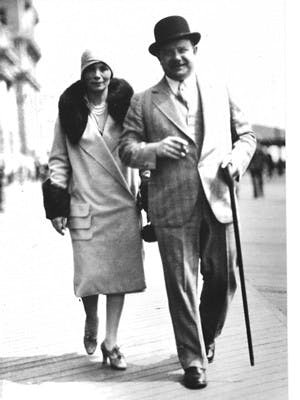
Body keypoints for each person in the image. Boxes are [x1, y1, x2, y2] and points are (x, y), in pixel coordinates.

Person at [119, 16, 256, 389]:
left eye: (182, 50)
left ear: (194, 51)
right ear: (159, 59)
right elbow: (127, 149)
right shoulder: (144, 101)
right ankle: (193, 360)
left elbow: (246, 135)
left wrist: (236, 160)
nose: (176, 57)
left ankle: (207, 334)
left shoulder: (218, 88)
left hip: (218, 196)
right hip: (171, 204)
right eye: (168, 53)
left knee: (224, 279)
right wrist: (155, 149)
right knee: (180, 284)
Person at [42, 49, 146, 370]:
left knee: (120, 273)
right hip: (83, 204)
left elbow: (140, 150)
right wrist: (57, 206)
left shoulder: (127, 109)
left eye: (103, 68)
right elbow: (58, 161)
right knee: (90, 274)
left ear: (111, 72)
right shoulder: (69, 113)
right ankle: (91, 317)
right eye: (91, 69)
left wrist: (147, 182)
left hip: (121, 204)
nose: (98, 75)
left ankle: (111, 341)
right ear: (82, 74)